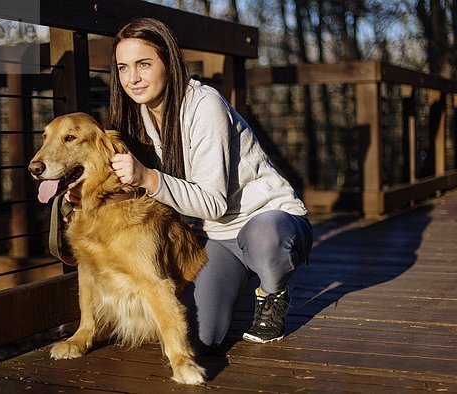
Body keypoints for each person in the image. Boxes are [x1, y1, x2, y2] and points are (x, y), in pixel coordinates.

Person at [67, 17, 312, 354]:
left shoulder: (204, 104)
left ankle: (272, 290)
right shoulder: (138, 114)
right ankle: (244, 274)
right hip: (219, 236)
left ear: (168, 61)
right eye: (123, 67)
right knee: (200, 338)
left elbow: (213, 203)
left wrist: (148, 177)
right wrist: (86, 200)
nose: (132, 78)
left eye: (144, 64)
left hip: (269, 219)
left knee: (265, 238)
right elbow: (137, 191)